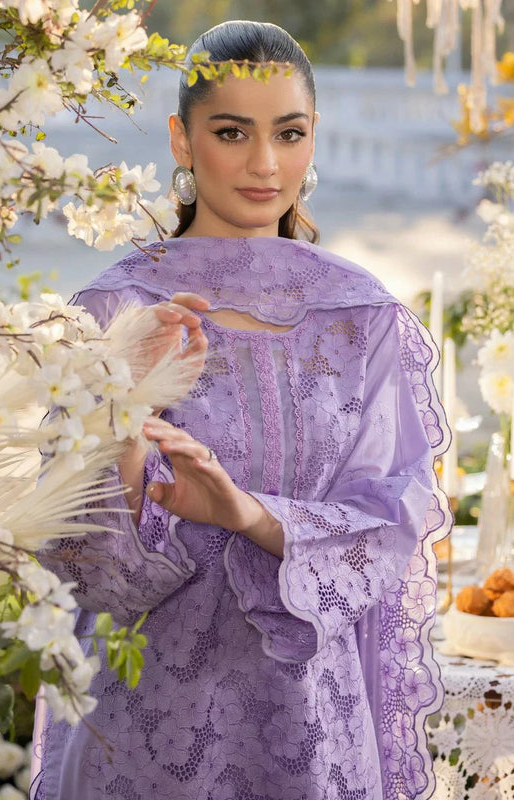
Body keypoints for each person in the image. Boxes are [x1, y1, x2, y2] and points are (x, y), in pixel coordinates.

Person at [31, 20, 450, 800]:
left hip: (312, 732)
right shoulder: (113, 312)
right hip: (139, 737)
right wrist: (124, 421)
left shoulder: (361, 318)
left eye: (287, 134)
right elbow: (81, 571)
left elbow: (393, 523)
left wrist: (247, 514)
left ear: (313, 136)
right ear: (181, 140)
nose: (264, 164)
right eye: (231, 133)